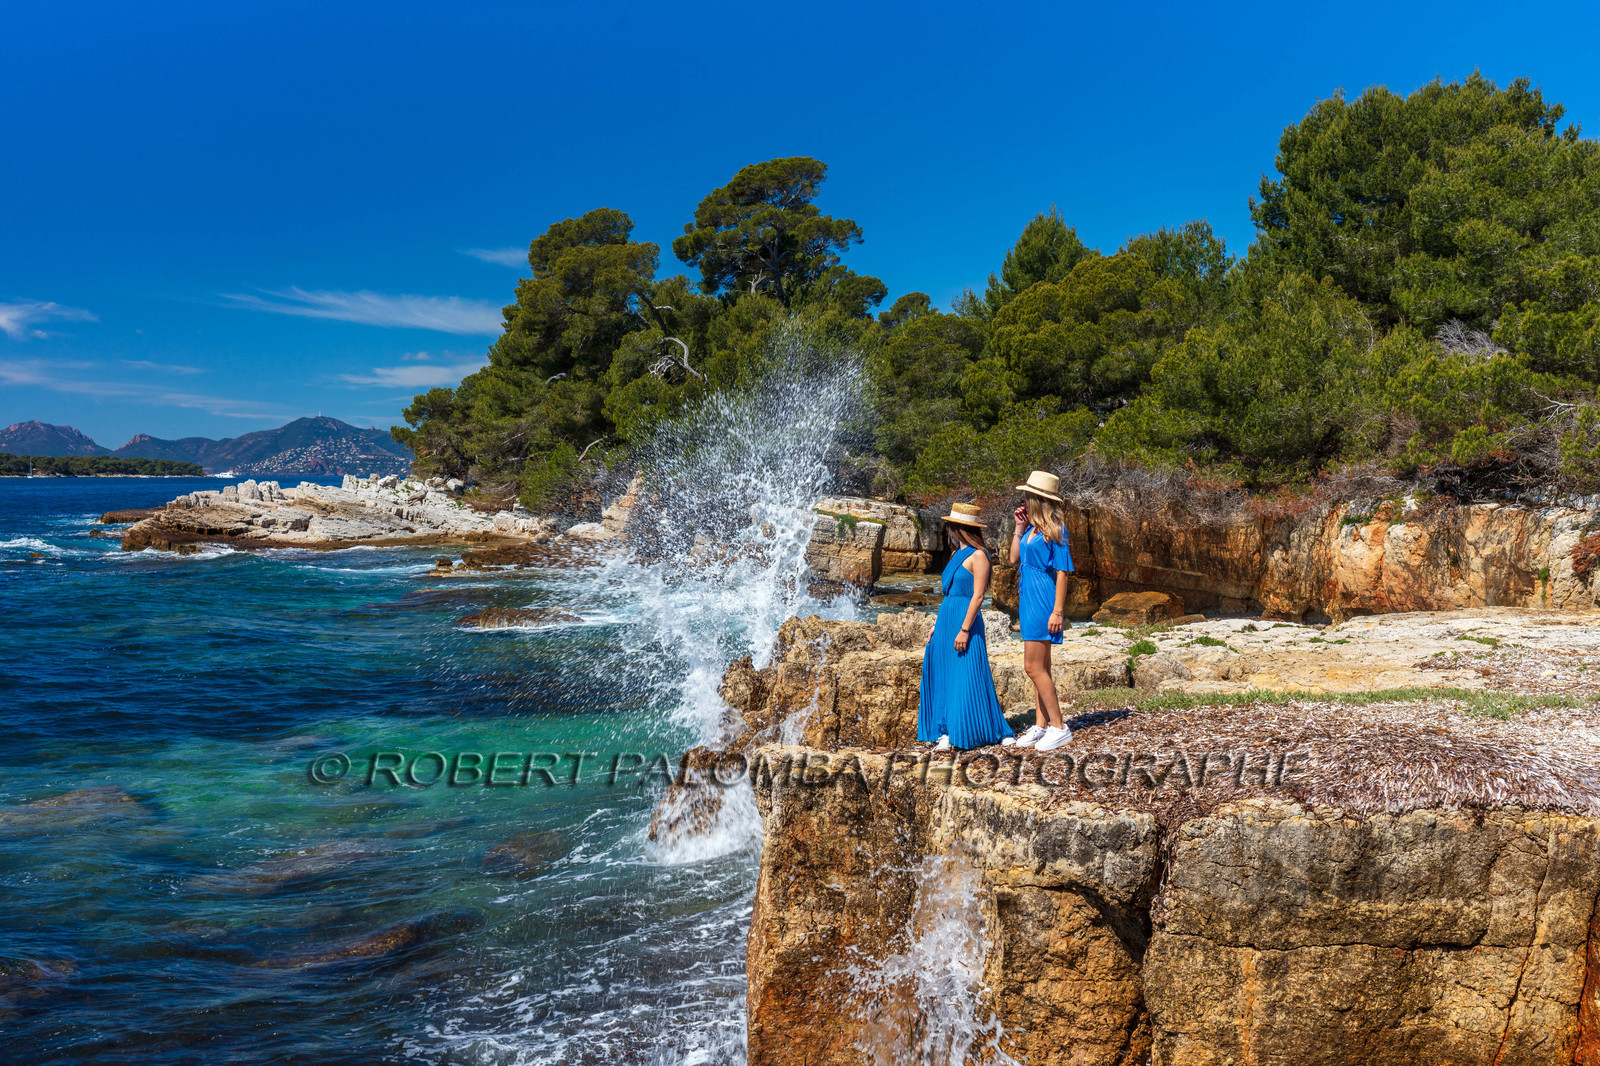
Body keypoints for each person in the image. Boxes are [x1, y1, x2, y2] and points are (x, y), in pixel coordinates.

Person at [917, 503, 1014, 751]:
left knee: (970, 674)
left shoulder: (979, 555)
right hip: (946, 618)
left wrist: (965, 629)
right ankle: (946, 730)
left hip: (965, 620)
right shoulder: (954, 555)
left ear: (958, 528)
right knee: (945, 674)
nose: (949, 529)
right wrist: (936, 626)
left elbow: (978, 596)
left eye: (951, 525)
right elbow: (948, 594)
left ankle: (987, 729)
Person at [1008, 470, 1074, 752]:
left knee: (1032, 667)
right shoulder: (1032, 529)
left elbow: (1063, 572)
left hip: (1043, 599)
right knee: (1041, 667)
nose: (1024, 499)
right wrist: (1018, 527)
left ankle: (1059, 727)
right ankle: (1041, 724)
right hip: (1028, 598)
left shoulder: (1056, 528)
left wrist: (1057, 612)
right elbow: (1013, 558)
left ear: (1038, 499)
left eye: (1028, 495)